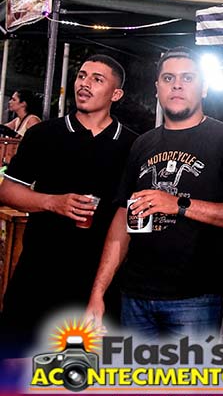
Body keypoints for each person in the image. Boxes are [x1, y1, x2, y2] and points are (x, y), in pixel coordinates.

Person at [85, 47, 223, 337]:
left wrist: (179, 204)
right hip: (134, 296)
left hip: (195, 299)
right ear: (157, 88)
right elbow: (122, 219)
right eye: (168, 78)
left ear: (204, 88)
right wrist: (98, 292)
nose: (177, 85)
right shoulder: (142, 144)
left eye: (187, 78)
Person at [0, 56, 136, 359]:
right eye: (81, 76)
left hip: (97, 284)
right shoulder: (43, 134)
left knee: (81, 373)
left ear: (116, 94)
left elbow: (129, 216)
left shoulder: (132, 146)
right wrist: (52, 201)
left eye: (97, 79)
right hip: (38, 275)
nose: (84, 84)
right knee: (15, 366)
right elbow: (8, 191)